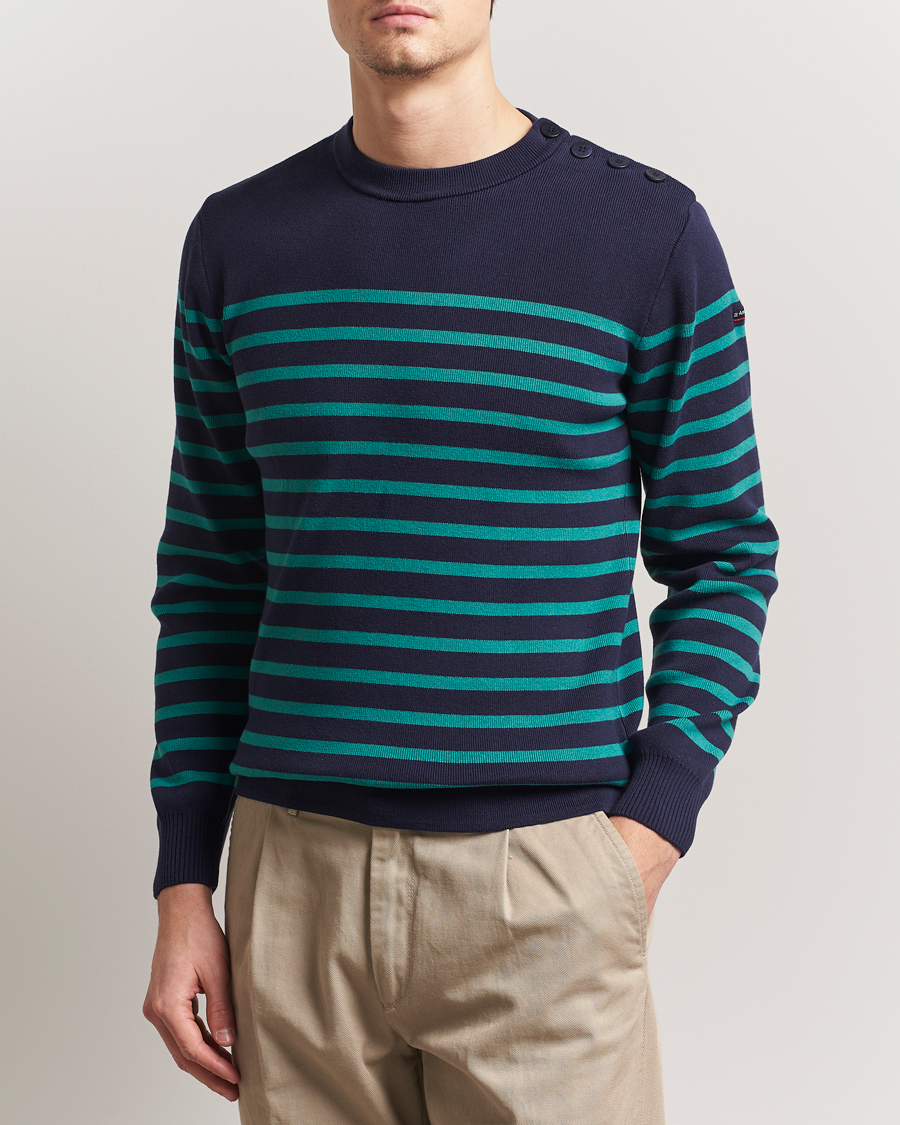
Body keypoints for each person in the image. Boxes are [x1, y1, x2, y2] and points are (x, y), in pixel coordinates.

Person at [143, 2, 779, 1121]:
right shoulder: (239, 241)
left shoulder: (646, 234)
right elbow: (209, 576)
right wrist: (184, 877)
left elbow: (724, 554)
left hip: (546, 880)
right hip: (295, 885)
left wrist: (651, 826)